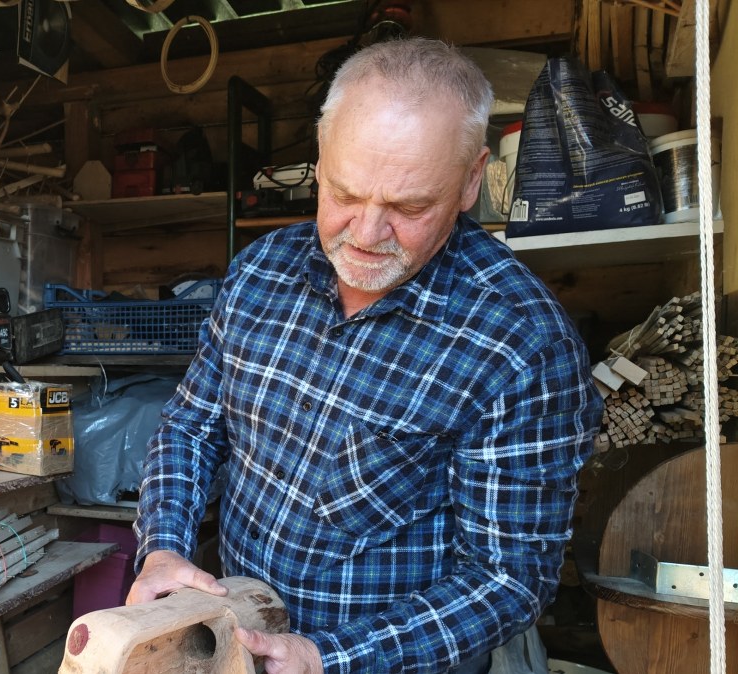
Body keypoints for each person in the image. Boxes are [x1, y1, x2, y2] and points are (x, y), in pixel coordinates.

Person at [127, 38, 602, 674]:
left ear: (469, 181)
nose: (367, 233)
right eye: (345, 194)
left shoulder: (522, 344)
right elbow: (191, 427)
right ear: (319, 164)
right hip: (236, 641)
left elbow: (507, 580)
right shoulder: (258, 274)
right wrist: (162, 547)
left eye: (408, 207)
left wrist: (329, 657)